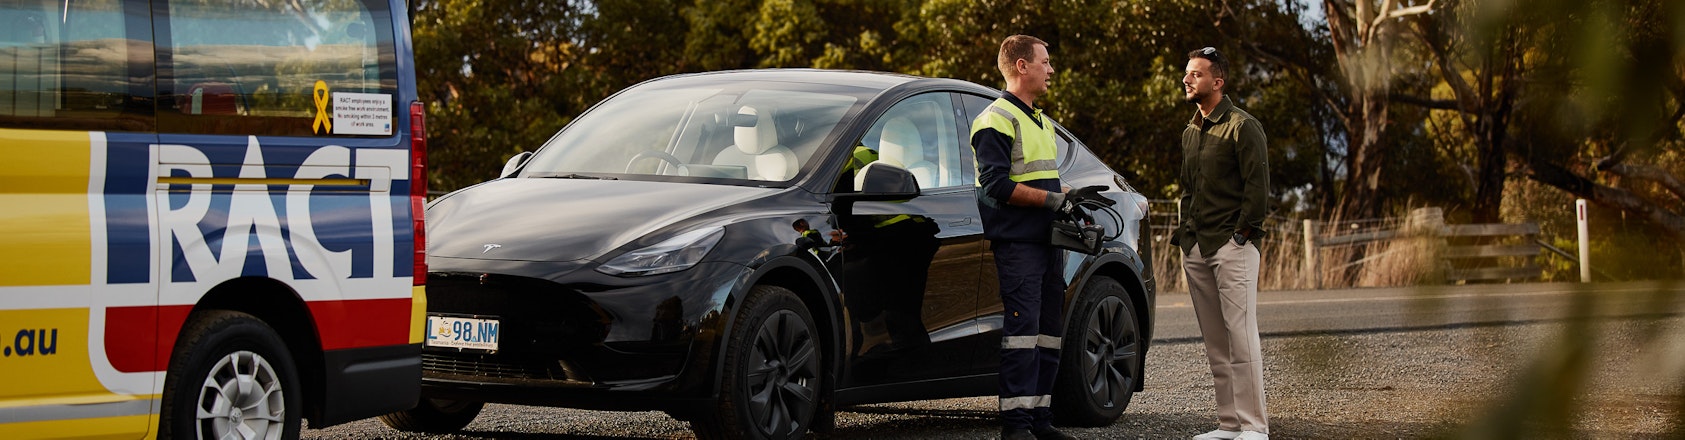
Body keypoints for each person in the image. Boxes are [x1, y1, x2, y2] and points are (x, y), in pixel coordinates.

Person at [970, 34, 1111, 440]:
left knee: (1048, 332)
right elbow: (995, 185)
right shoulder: (995, 119)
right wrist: (1052, 199)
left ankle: (1039, 420)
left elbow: (1042, 179)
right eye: (1045, 62)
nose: (1051, 70)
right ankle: (1016, 426)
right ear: (1021, 66)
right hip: (1018, 246)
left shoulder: (1042, 121)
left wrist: (1071, 197)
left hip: (1047, 243)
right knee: (1022, 335)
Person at [1172, 46, 1272, 440]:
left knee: (1241, 337)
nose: (1187, 79)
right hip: (1197, 247)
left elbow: (1258, 189)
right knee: (1216, 342)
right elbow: (1186, 190)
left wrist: (1241, 235)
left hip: (1233, 247)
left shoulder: (1243, 126)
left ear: (1218, 81)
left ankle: (1254, 427)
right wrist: (1186, 237)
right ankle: (1229, 424)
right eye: (1187, 73)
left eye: (1195, 74)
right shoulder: (1190, 131)